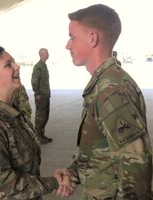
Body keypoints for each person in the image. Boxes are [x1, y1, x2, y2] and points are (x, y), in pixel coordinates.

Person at [54, 4, 153, 199]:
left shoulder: (111, 91)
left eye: (72, 37)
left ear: (92, 38)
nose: (68, 45)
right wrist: (72, 172)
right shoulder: (103, 83)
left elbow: (136, 168)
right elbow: (102, 149)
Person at [0, 46, 74, 200]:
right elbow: (0, 183)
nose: (17, 66)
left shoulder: (12, 114)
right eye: (9, 65)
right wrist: (54, 183)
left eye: (14, 62)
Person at [31, 48, 52, 144]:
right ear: (41, 54)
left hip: (46, 95)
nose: (48, 54)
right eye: (46, 53)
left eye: (47, 53)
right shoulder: (38, 67)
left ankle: (41, 135)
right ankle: (38, 136)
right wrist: (37, 93)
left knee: (45, 115)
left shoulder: (43, 65)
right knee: (40, 116)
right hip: (41, 96)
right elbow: (34, 81)